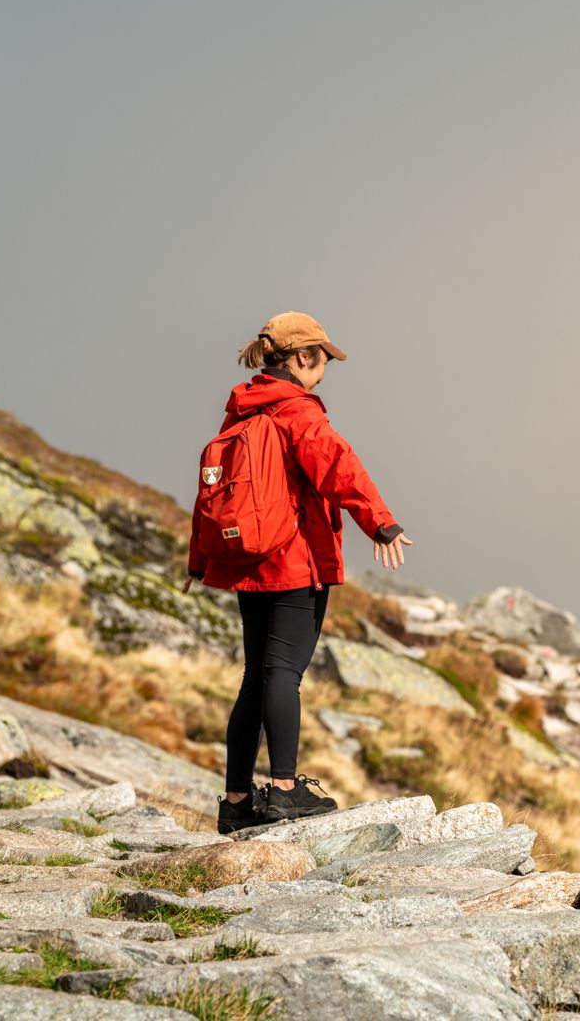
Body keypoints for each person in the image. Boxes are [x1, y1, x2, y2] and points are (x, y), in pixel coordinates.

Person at [183, 311, 413, 834]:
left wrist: (200, 561)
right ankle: (284, 792)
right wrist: (382, 524)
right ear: (303, 357)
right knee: (284, 676)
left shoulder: (239, 412)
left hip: (245, 564)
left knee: (253, 680)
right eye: (324, 359)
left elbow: (212, 495)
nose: (326, 369)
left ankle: (237, 800)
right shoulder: (298, 412)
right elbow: (339, 467)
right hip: (291, 561)